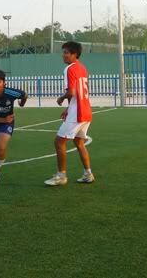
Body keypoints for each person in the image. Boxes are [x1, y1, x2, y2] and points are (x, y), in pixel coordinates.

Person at [45, 41, 94, 186]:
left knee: (59, 142)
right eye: (64, 52)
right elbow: (78, 93)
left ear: (75, 54)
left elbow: (71, 92)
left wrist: (61, 98)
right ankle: (88, 174)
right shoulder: (82, 68)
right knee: (79, 142)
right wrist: (68, 109)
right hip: (86, 110)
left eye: (66, 52)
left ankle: (61, 176)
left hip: (78, 113)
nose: (64, 55)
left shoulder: (69, 69)